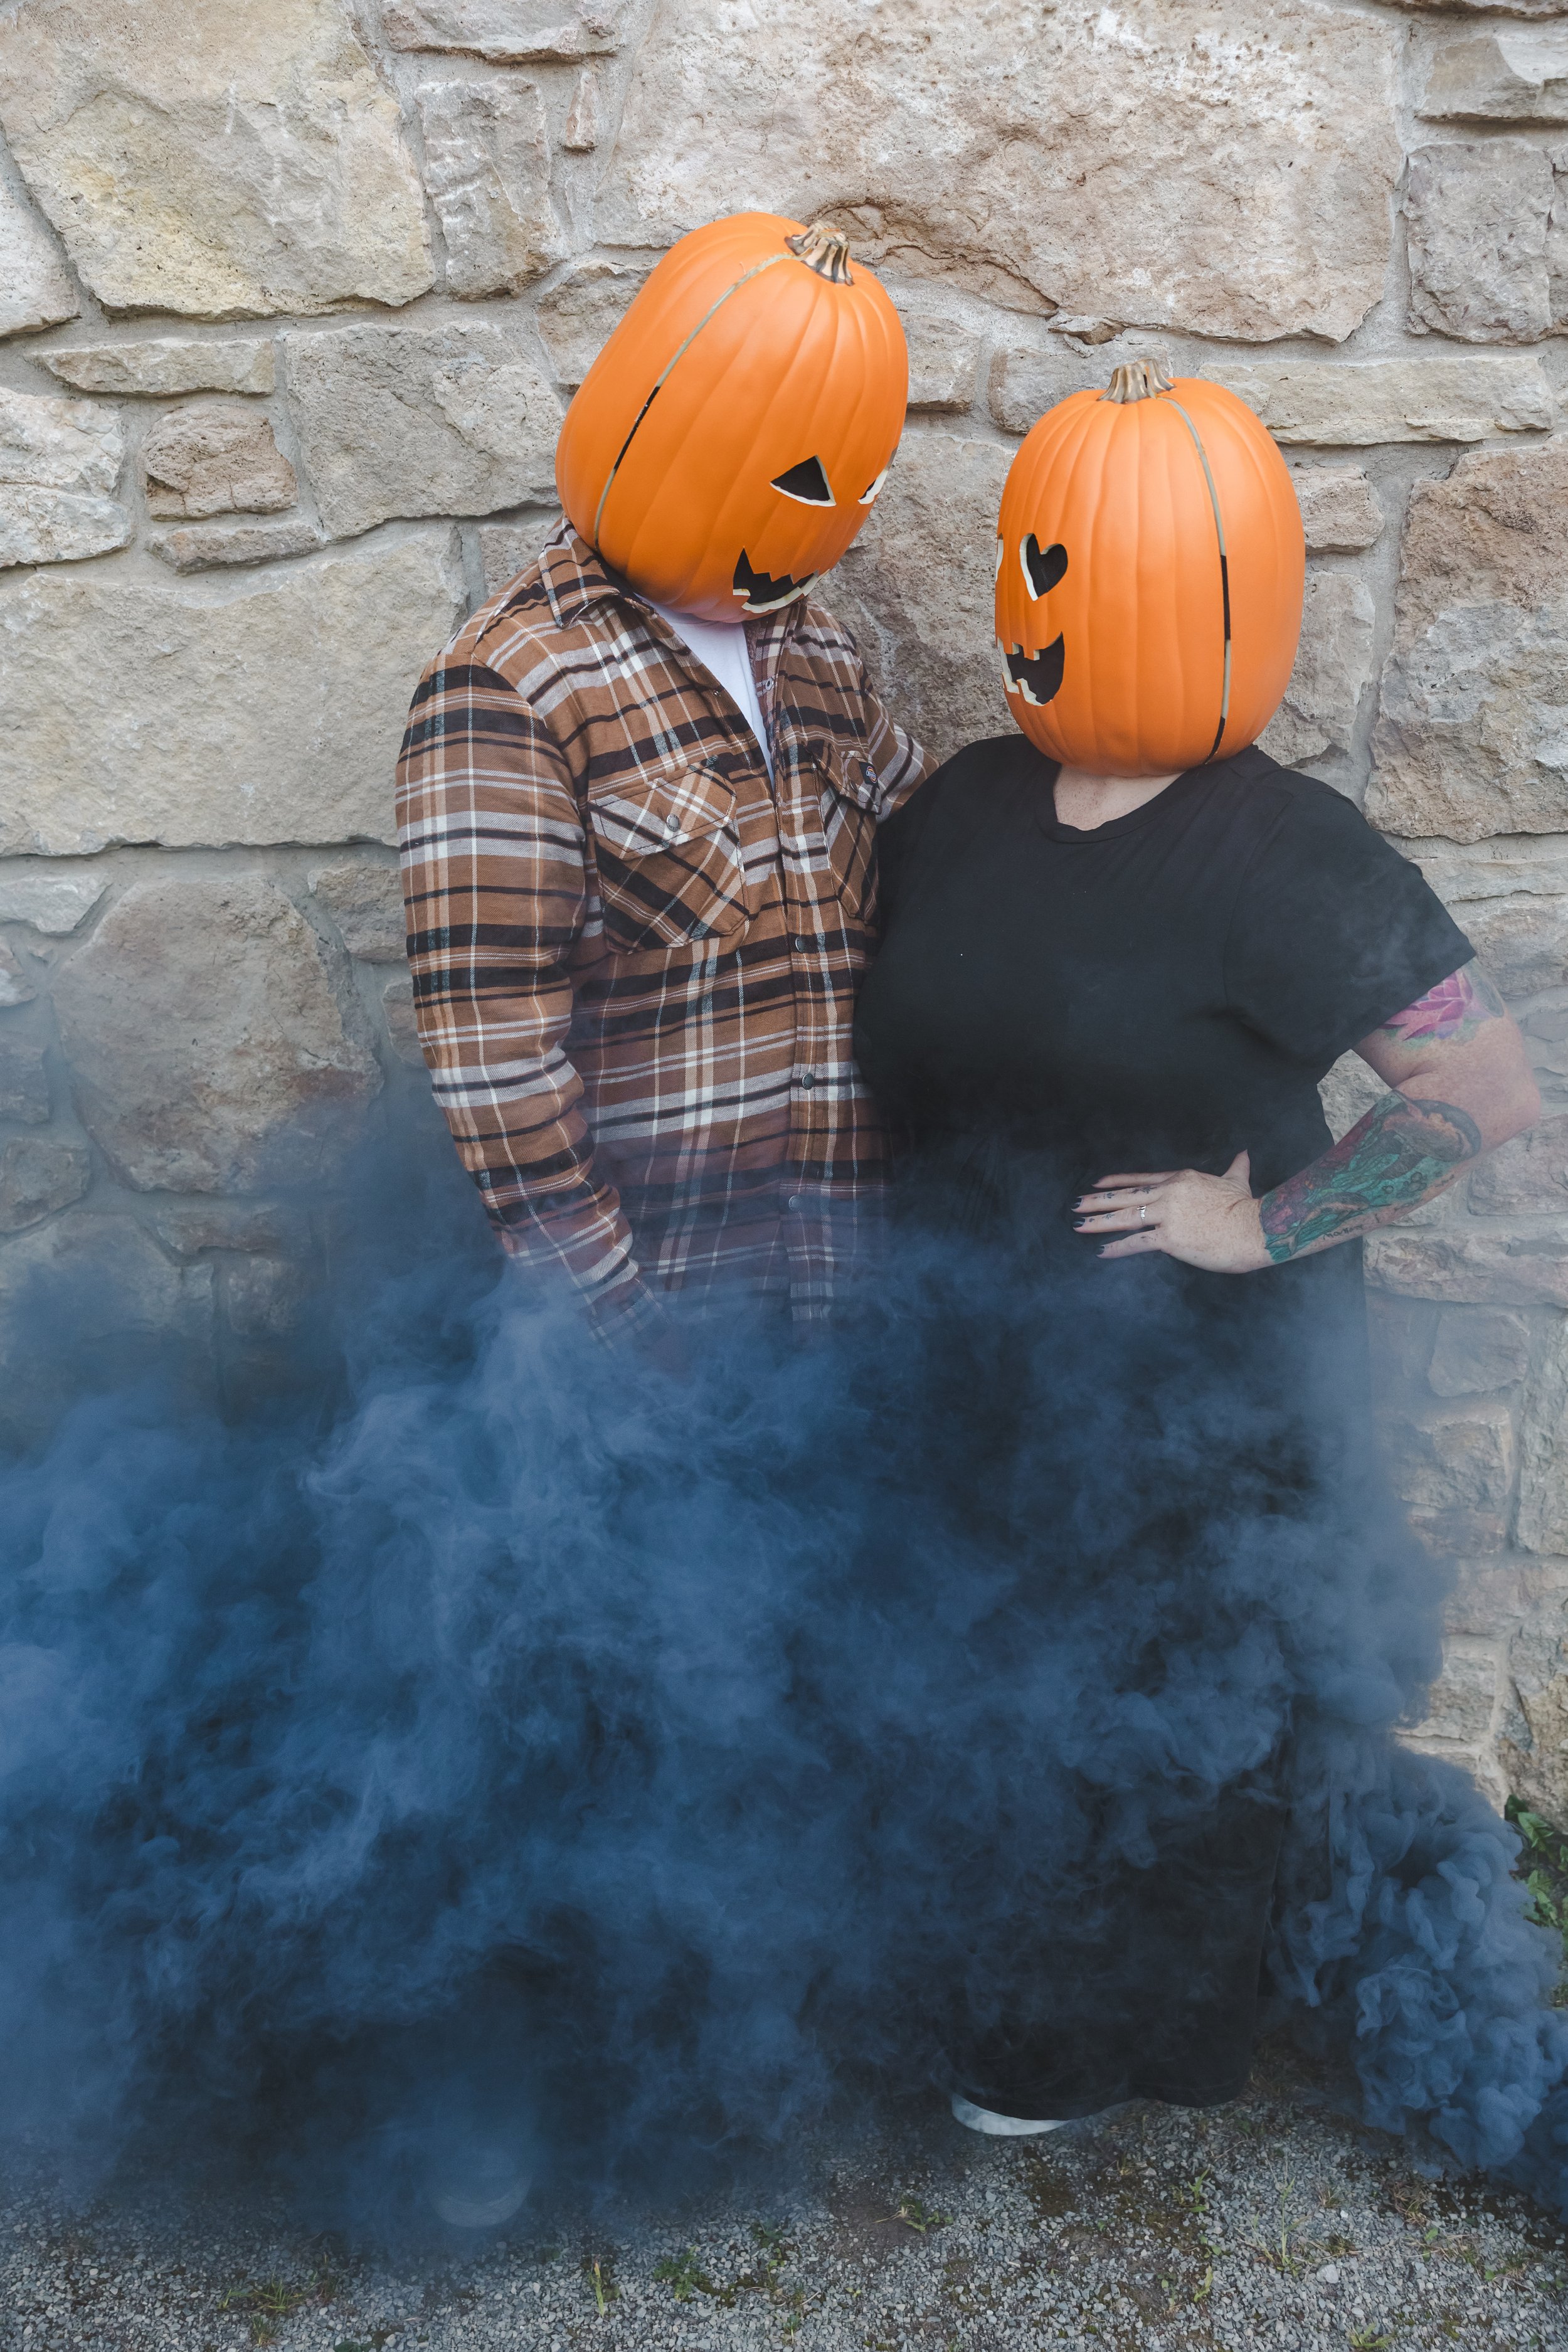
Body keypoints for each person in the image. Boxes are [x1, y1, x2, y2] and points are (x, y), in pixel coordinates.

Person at [853, 736, 1539, 2136]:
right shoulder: (966, 801)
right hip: (983, 1355)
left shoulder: (1284, 843)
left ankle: (1110, 2050)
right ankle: (981, 2008)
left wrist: (1260, 1226)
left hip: (1202, 1386)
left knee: (1174, 1703)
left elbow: (1484, 1085)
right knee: (990, 1679)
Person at [398, 215, 929, 1362]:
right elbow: (497, 1058)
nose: (815, 517)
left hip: (859, 1299)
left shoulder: (823, 656)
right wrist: (622, 1338)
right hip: (675, 1324)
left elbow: (939, 888)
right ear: (660, 416)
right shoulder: (511, 683)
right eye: (793, 477)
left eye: (846, 486)